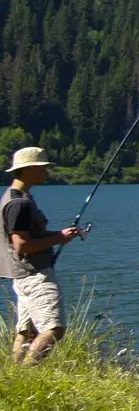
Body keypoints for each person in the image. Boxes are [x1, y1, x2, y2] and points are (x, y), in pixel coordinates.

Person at [2, 147, 83, 365]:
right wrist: (57, 240)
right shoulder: (20, 204)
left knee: (27, 332)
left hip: (22, 275)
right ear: (29, 170)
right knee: (54, 328)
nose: (46, 172)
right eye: (43, 168)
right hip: (34, 275)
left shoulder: (14, 198)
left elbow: (27, 236)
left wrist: (60, 235)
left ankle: (13, 374)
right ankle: (27, 373)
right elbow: (22, 245)